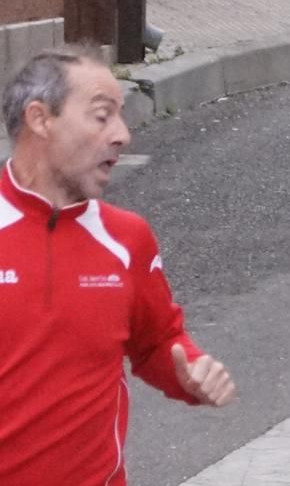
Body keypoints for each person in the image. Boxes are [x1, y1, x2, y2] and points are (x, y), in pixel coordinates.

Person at [0, 45, 237, 484]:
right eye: (101, 115)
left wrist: (192, 373)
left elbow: (157, 341)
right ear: (40, 119)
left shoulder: (127, 238)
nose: (122, 135)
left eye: (121, 116)